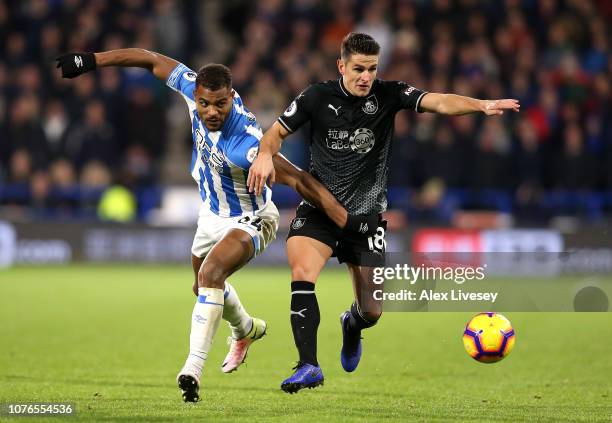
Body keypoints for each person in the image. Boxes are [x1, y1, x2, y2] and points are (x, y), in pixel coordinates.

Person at [56, 48, 376, 402]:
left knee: (210, 276)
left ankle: (191, 369)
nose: (212, 112)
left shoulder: (248, 143)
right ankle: (246, 329)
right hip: (210, 214)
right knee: (203, 287)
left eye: (220, 104)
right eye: (205, 104)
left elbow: (300, 181)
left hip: (252, 218)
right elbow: (148, 59)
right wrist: (91, 60)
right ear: (196, 95)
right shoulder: (192, 86)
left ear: (231, 96)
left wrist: (347, 221)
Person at [247, 32, 520, 393]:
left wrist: (480, 104)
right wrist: (266, 154)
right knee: (302, 272)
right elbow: (275, 134)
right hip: (319, 209)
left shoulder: (389, 95)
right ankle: (308, 364)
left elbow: (437, 101)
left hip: (366, 218)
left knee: (372, 312)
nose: (365, 77)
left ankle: (352, 325)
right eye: (358, 69)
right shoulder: (316, 97)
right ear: (341, 66)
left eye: (372, 69)